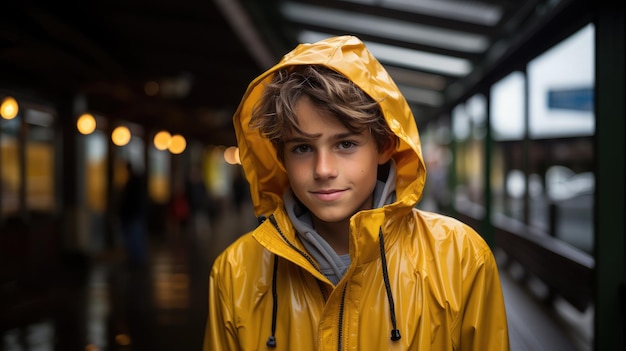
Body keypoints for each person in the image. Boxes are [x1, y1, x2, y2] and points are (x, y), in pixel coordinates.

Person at [204, 35, 509, 350]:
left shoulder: (460, 257)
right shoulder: (235, 271)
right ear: (281, 157)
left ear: (384, 146)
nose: (323, 169)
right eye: (303, 147)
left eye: (345, 144)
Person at [118, 160, 148, 267]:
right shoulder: (135, 183)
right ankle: (136, 260)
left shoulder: (133, 183)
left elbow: (131, 201)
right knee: (134, 239)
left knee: (134, 239)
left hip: (133, 215)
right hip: (134, 215)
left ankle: (137, 260)